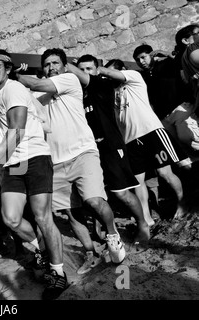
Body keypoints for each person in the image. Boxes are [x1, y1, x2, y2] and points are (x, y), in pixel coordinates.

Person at [15, 49, 126, 277]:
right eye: (46, 64)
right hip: (55, 162)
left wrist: (15, 76)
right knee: (72, 214)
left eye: (55, 63)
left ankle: (113, 235)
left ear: (64, 66)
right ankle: (90, 253)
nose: (51, 67)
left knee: (94, 201)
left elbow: (37, 85)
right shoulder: (35, 96)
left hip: (83, 153)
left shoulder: (69, 80)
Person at [0, 48, 67, 300]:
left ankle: (58, 273)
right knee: (11, 218)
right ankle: (41, 249)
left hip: (33, 157)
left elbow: (18, 130)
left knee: (42, 216)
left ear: (7, 68)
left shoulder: (13, 88)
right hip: (14, 163)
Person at [69, 55, 150, 245]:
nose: (85, 73)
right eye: (82, 69)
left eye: (89, 69)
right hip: (90, 150)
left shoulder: (102, 85)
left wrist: (66, 64)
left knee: (121, 193)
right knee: (95, 195)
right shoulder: (76, 94)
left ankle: (143, 224)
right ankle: (106, 231)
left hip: (111, 146)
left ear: (97, 70)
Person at [100, 59, 191, 221]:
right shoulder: (111, 92)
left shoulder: (134, 77)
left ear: (122, 70)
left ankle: (182, 202)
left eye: (112, 72)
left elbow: (108, 73)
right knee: (138, 181)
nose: (109, 77)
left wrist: (96, 70)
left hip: (151, 132)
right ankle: (146, 217)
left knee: (165, 173)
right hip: (130, 141)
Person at [133, 44, 199, 154]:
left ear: (152, 55)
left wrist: (167, 54)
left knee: (187, 136)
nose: (141, 62)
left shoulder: (167, 64)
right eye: (137, 60)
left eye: (143, 57)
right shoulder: (141, 76)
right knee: (178, 148)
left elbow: (182, 63)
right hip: (163, 117)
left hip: (180, 108)